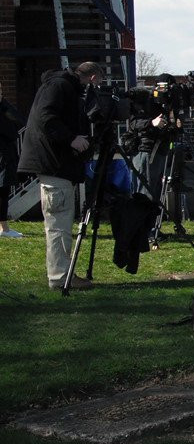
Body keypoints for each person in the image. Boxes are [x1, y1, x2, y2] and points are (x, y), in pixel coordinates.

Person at [18, 62, 102, 289]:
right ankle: (60, 277)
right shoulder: (59, 86)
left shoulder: (58, 85)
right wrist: (71, 138)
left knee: (59, 221)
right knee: (58, 223)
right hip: (55, 166)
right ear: (92, 78)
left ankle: (62, 274)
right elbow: (47, 118)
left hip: (55, 164)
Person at [126, 73, 173, 200]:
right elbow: (134, 123)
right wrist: (152, 123)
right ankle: (142, 216)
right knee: (145, 188)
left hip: (161, 149)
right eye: (164, 88)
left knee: (156, 188)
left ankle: (154, 215)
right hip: (146, 149)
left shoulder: (169, 103)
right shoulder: (145, 100)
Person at [0, 85, 27, 238]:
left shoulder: (4, 109)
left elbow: (21, 121)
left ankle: (4, 228)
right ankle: (4, 228)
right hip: (3, 154)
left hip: (5, 154)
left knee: (3, 191)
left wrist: (3, 103)